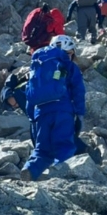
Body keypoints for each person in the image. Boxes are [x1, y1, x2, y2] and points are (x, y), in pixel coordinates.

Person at [21, 36, 85, 181]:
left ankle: (29, 169)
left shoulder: (38, 66)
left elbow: (30, 93)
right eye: (70, 53)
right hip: (63, 112)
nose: (70, 56)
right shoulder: (69, 66)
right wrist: (80, 114)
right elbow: (78, 92)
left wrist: (32, 117)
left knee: (42, 150)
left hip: (41, 113)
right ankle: (62, 178)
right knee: (64, 145)